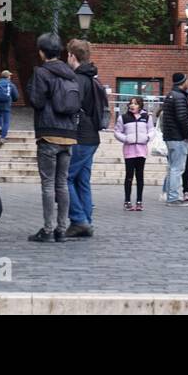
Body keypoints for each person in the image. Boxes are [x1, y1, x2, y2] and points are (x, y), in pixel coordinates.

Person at [27, 33, 78, 243]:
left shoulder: (41, 72)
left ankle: (48, 229)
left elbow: (37, 101)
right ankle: (61, 229)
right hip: (69, 135)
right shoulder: (70, 73)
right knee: (62, 183)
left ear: (41, 52)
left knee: (48, 184)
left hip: (48, 133)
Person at [66, 39, 107, 238]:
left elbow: (71, 107)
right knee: (82, 181)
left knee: (65, 178)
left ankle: (79, 220)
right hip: (92, 136)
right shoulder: (93, 78)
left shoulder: (77, 79)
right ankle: (86, 220)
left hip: (80, 136)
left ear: (72, 56)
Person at [114, 96, 156, 209]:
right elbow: (117, 132)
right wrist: (126, 138)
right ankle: (127, 201)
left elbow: (152, 130)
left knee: (140, 176)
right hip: (129, 151)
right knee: (129, 176)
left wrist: (147, 137)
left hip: (142, 151)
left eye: (135, 103)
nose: (132, 105)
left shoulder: (146, 117)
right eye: (131, 103)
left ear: (140, 105)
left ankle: (139, 201)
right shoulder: (123, 118)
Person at [161, 73, 188, 205]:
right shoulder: (180, 97)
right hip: (178, 137)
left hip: (170, 136)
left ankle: (171, 195)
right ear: (182, 82)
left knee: (172, 168)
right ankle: (173, 197)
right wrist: (187, 135)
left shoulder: (170, 95)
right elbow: (182, 118)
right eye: (187, 80)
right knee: (177, 168)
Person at [0, 70, 18, 144]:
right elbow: (16, 96)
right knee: (6, 121)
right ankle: (2, 138)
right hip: (6, 104)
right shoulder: (11, 84)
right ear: (8, 76)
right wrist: (13, 99)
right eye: (10, 75)